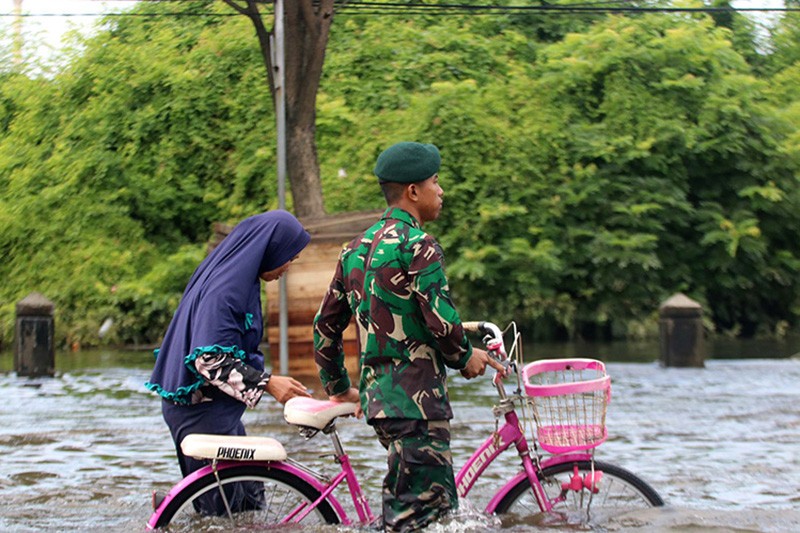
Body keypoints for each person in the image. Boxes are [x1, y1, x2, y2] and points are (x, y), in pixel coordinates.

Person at [313, 142, 505, 532]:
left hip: (380, 403)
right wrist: (466, 355)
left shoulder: (355, 249)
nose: (441, 190)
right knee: (416, 522)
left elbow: (324, 328)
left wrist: (338, 387)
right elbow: (440, 321)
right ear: (413, 191)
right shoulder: (419, 246)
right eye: (436, 181)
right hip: (417, 405)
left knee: (432, 512)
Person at [146, 209, 312, 515]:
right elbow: (208, 359)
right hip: (199, 411)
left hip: (214, 409)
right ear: (270, 250)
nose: (289, 266)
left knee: (248, 501)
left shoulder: (238, 279)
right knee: (221, 509)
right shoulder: (225, 291)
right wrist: (269, 383)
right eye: (289, 257)